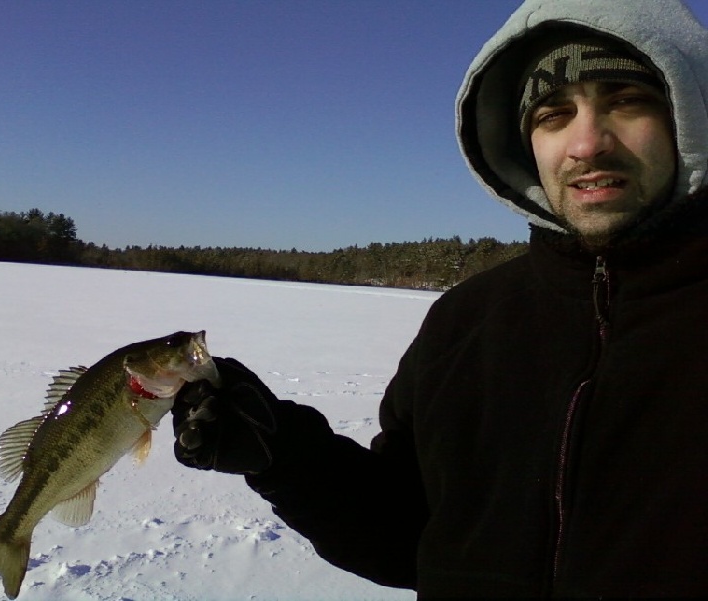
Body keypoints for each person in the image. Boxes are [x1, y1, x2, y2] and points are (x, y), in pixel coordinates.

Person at [171, 0, 708, 596]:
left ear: (691, 113)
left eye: (626, 101)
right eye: (554, 114)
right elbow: (415, 538)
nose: (586, 143)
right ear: (526, 142)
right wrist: (285, 456)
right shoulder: (466, 321)